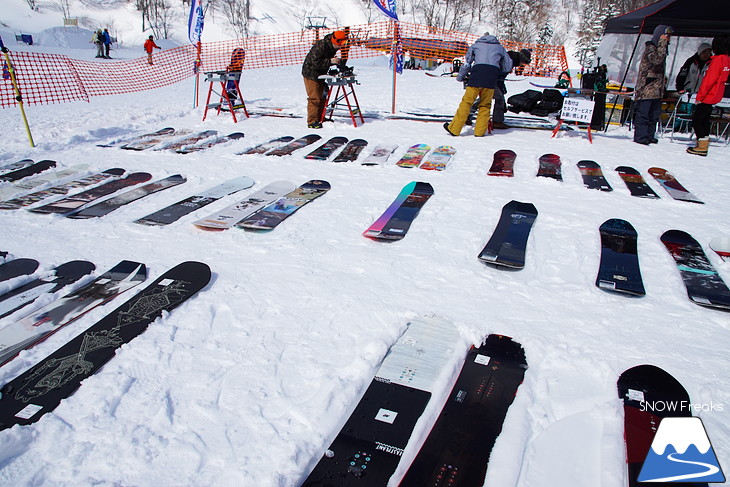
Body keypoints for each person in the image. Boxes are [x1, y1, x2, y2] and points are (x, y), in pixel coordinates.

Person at [443, 33, 512, 137]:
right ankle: (479, 132)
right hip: (491, 78)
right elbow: (507, 66)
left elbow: (467, 63)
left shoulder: (476, 45)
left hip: (477, 75)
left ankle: (454, 128)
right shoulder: (500, 47)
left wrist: (460, 77)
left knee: (466, 102)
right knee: (485, 105)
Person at [687, 36, 730, 156]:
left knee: (697, 121)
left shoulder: (717, 60)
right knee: (705, 120)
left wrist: (700, 96)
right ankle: (704, 143)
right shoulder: (727, 59)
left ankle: (702, 145)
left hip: (709, 95)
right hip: (717, 94)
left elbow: (709, 80)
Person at [632, 24, 673, 145]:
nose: (669, 38)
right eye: (667, 35)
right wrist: (662, 43)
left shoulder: (662, 49)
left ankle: (649, 135)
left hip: (657, 90)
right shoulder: (651, 48)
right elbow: (656, 60)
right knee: (643, 114)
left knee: (653, 115)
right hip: (647, 89)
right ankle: (641, 136)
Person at [301, 30, 348, 129]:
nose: (341, 47)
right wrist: (330, 61)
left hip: (320, 73)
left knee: (322, 97)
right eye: (340, 44)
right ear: (335, 41)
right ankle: (312, 121)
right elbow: (315, 62)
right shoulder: (321, 46)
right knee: (315, 98)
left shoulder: (331, 46)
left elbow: (323, 60)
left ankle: (320, 117)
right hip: (311, 73)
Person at [492, 49, 531, 129]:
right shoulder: (510, 61)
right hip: (491, 78)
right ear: (522, 59)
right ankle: (497, 122)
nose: (523, 65)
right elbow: (500, 76)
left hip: (491, 77)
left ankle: (468, 114)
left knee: (486, 96)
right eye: (524, 63)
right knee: (498, 98)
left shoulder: (511, 58)